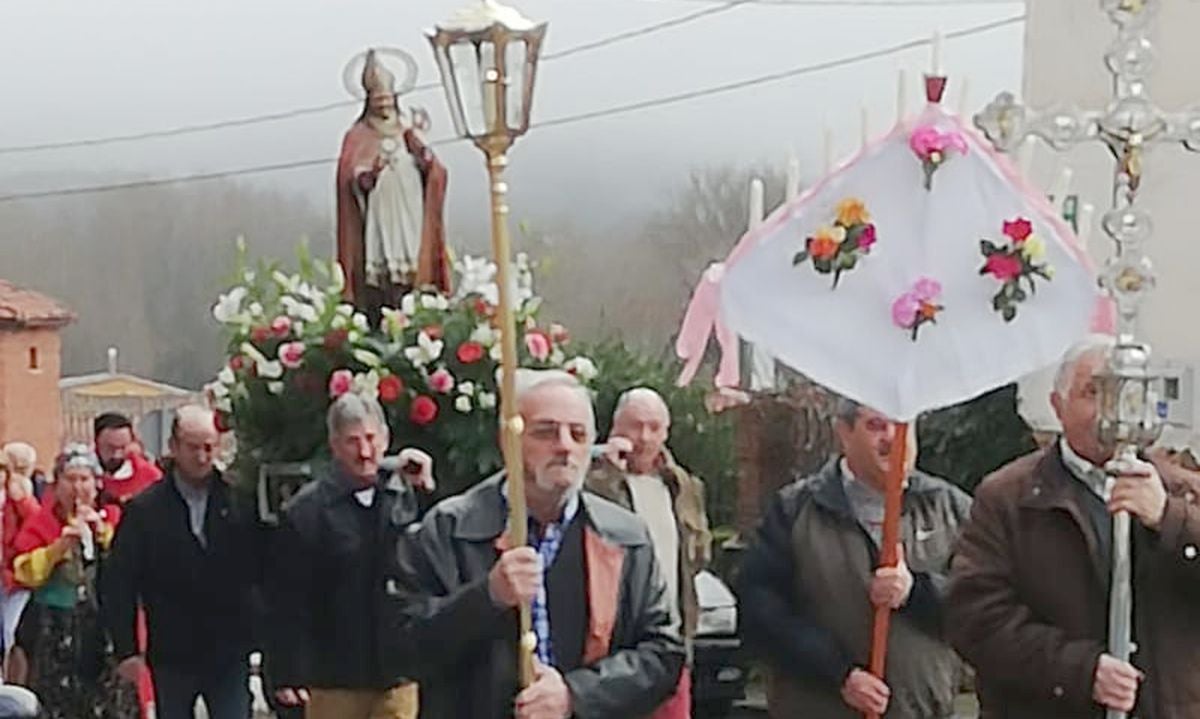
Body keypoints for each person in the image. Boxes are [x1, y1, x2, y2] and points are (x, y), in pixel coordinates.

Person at [393, 370, 684, 718]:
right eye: (546, 432)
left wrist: (575, 696)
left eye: (577, 434)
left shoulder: (625, 535)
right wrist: (486, 597)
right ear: (508, 439)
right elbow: (404, 650)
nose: (564, 446)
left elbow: (662, 653)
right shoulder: (449, 529)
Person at [947, 337, 1200, 718]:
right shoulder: (1010, 497)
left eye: (1123, 393)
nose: (1109, 411)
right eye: (1093, 391)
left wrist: (1170, 520)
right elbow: (974, 617)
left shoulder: (1183, 492)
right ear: (1057, 406)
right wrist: (1079, 671)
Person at [737, 398, 972, 719]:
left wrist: (915, 591)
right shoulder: (795, 510)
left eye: (902, 425)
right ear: (844, 432)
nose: (892, 437)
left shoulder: (951, 509)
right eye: (876, 425)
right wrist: (839, 673)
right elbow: (760, 613)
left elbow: (983, 603)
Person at [266, 393, 433, 719]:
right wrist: (287, 671)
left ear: (386, 439)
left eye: (371, 439)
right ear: (335, 445)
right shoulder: (306, 511)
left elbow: (431, 562)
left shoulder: (406, 496)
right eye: (352, 442)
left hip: (397, 674)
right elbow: (287, 599)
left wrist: (424, 488)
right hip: (334, 679)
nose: (365, 452)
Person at [102, 405, 262, 719]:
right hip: (172, 652)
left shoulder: (240, 501)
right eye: (192, 447)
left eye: (209, 447)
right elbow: (119, 582)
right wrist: (126, 650)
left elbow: (261, 571)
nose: (202, 457)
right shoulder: (145, 511)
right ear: (173, 447)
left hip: (229, 649)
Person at [586, 387, 712, 718]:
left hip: (671, 642)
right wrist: (607, 473)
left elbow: (698, 555)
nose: (644, 437)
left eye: (654, 428)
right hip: (614, 647)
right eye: (635, 426)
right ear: (615, 430)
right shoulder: (593, 481)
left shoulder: (683, 485)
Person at [10, 445, 138, 719]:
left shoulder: (115, 518)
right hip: (54, 631)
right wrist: (59, 547)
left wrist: (102, 534)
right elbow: (23, 572)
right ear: (56, 485)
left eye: (84, 479)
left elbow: (130, 562)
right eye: (70, 479)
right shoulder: (40, 522)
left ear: (96, 485)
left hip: (104, 632)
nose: (77, 487)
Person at [336, 47, 451, 319]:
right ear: (368, 100)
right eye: (378, 99)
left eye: (388, 99)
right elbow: (350, 179)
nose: (384, 104)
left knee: (413, 262)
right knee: (384, 270)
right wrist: (370, 174)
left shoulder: (407, 129)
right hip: (379, 212)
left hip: (410, 207)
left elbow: (434, 170)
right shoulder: (358, 135)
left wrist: (421, 149)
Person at [0, 446, 40, 684]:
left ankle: (14, 684)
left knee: (12, 631)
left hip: (13, 576)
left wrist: (21, 500)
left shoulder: (19, 494)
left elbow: (35, 522)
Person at [93, 413, 162, 508]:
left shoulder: (150, 476)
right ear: (96, 442)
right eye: (110, 448)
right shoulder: (80, 475)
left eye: (122, 448)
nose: (116, 455)